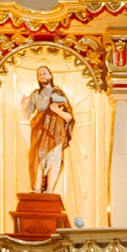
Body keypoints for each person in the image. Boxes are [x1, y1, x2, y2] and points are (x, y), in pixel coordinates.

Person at [23, 65, 75, 199]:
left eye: (45, 74)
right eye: (40, 75)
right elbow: (27, 115)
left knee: (54, 158)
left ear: (51, 76)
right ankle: (37, 188)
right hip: (39, 127)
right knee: (37, 157)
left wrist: (57, 111)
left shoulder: (58, 93)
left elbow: (69, 116)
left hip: (55, 128)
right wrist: (23, 107)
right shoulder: (35, 94)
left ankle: (50, 190)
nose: (42, 76)